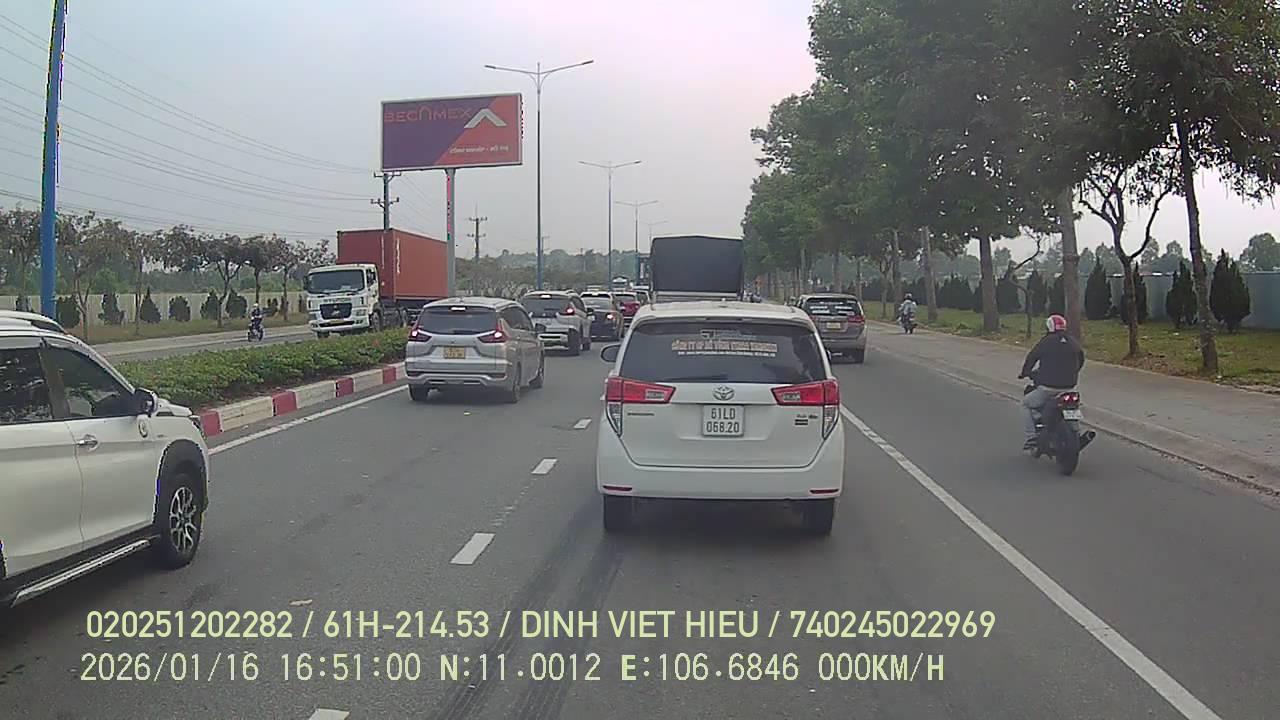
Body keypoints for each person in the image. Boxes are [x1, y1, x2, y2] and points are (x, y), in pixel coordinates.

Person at [1018, 314, 1085, 451]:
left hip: (1048, 388)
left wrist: (1025, 372)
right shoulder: (1073, 341)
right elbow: (1081, 358)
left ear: (1049, 327)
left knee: (1026, 404)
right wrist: (1074, 372)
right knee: (1073, 407)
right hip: (1069, 388)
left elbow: (1032, 357)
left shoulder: (1046, 341)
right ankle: (1076, 433)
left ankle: (1031, 437)